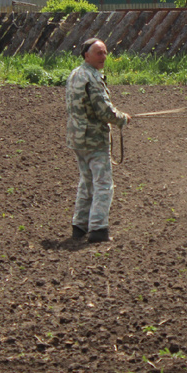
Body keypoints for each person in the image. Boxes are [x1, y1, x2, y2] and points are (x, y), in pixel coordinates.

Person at [66, 37, 130, 242]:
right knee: (103, 184)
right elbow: (104, 111)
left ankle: (79, 226)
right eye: (98, 53)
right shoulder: (92, 78)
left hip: (77, 138)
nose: (104, 57)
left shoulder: (75, 74)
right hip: (94, 139)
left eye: (105, 52)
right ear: (86, 55)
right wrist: (122, 118)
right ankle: (98, 228)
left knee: (87, 183)